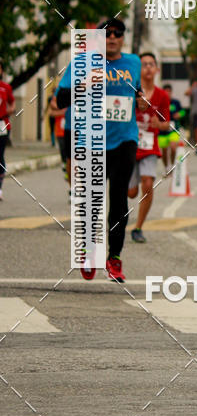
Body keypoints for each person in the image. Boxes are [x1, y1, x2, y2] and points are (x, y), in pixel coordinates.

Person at [55, 18, 141, 282]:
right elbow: (59, 100)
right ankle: (89, 253)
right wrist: (84, 85)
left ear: (123, 37)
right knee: (91, 203)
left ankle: (114, 258)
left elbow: (136, 93)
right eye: (107, 34)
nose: (112, 38)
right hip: (91, 140)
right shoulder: (83, 63)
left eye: (117, 33)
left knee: (118, 201)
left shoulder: (134, 63)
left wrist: (142, 100)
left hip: (125, 139)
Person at [127, 52, 171, 243]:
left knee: (147, 184)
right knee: (131, 192)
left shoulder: (162, 96)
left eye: (151, 64)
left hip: (149, 147)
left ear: (157, 69)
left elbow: (167, 124)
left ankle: (138, 227)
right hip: (129, 145)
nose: (148, 68)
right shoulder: (130, 91)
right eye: (144, 64)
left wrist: (158, 124)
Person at [159, 84, 184, 173]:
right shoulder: (159, 103)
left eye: (169, 92)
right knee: (164, 151)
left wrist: (179, 114)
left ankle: (173, 165)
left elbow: (183, 111)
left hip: (173, 130)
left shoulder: (175, 102)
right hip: (162, 131)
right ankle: (167, 167)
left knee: (173, 147)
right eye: (166, 92)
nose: (167, 93)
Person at [0, 59, 16, 201]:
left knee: (0, 154)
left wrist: (10, 110)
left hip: (2, 124)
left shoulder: (5, 87)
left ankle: (0, 187)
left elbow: (12, 102)